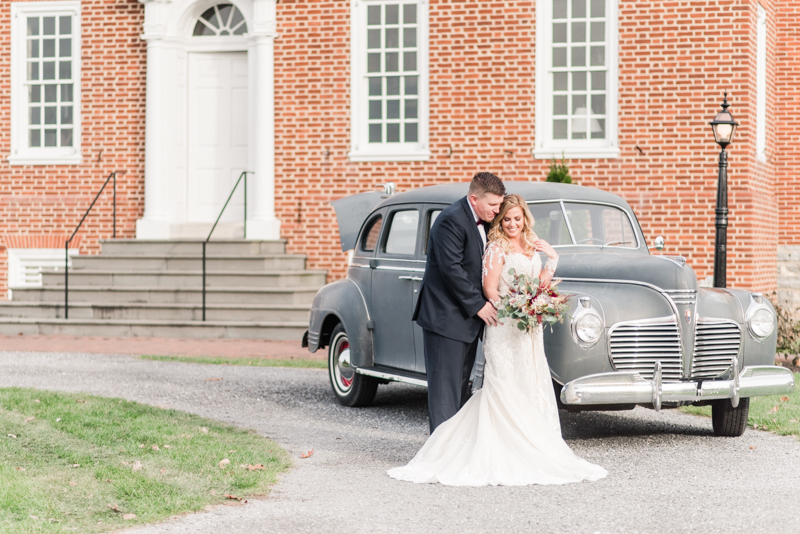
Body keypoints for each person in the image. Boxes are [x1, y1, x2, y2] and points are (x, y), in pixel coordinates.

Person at [389, 194, 607, 486]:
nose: (512, 224)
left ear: (524, 218)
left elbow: (540, 284)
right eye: (506, 218)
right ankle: (467, 449)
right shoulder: (495, 248)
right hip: (505, 324)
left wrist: (551, 264)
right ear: (500, 221)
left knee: (530, 380)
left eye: (517, 218)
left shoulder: (532, 246)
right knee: (504, 384)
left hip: (528, 329)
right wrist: (515, 305)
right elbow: (489, 289)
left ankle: (533, 446)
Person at [412, 172, 505, 433]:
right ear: (474, 199)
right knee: (445, 393)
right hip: (445, 320)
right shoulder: (450, 220)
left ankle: (454, 452)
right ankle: (439, 458)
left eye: (499, 205)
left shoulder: (486, 221)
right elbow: (451, 269)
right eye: (492, 205)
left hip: (465, 323)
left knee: (460, 388)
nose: (497, 211)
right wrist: (479, 305)